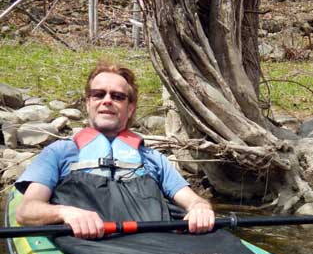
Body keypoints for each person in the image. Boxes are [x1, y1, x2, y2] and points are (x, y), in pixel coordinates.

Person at [15, 61, 215, 238]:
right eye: (98, 94)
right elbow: (26, 211)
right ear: (88, 103)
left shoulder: (153, 159)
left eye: (118, 96)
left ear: (130, 108)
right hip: (88, 246)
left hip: (154, 246)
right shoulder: (58, 152)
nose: (107, 100)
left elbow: (193, 201)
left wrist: (200, 208)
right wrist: (65, 212)